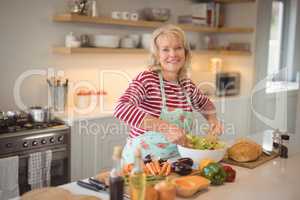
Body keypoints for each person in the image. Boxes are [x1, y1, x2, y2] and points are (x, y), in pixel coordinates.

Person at [114, 24, 223, 164]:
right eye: (165, 49)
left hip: (174, 163)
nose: (173, 54)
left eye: (178, 48)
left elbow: (205, 104)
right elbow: (121, 107)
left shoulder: (186, 84)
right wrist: (165, 127)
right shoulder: (147, 79)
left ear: (186, 52)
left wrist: (213, 120)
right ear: (157, 55)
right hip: (140, 166)